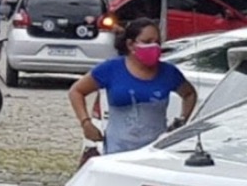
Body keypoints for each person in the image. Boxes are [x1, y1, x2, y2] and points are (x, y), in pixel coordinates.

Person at [67, 18, 198, 154]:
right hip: (117, 150)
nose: (153, 46)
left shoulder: (169, 72)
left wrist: (181, 121)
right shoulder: (111, 69)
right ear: (130, 44)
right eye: (147, 42)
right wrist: (86, 123)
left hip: (154, 151)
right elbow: (76, 91)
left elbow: (189, 94)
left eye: (157, 42)